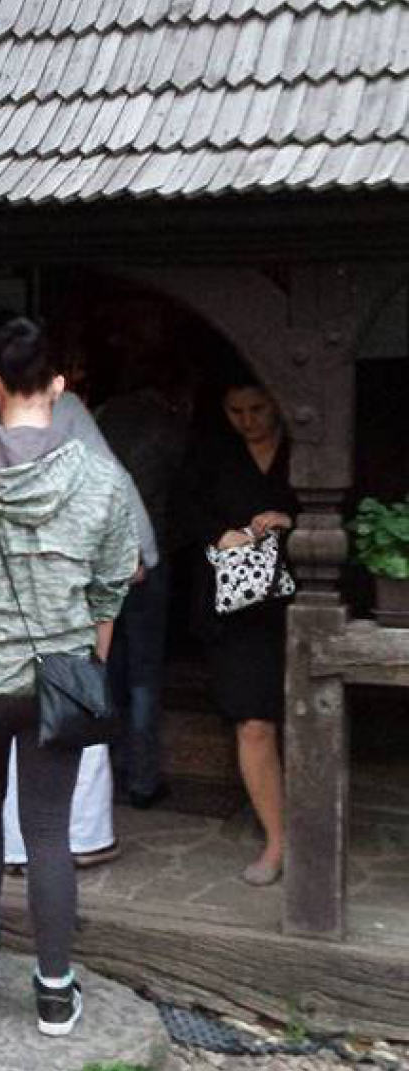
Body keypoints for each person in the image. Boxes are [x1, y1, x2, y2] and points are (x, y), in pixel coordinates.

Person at [0, 318, 138, 1037]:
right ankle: (53, 991)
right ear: (59, 386)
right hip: (61, 669)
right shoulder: (100, 479)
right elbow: (111, 584)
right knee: (48, 829)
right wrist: (88, 658)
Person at [0, 314, 156, 868]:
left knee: (4, 721)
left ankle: (16, 849)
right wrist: (136, 550)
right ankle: (83, 837)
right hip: (66, 587)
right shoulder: (68, 410)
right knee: (71, 707)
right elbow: (112, 479)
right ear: (54, 378)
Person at [182, 378, 298, 886]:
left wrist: (292, 520)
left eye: (257, 408)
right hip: (237, 605)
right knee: (253, 723)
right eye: (236, 411)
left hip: (302, 598)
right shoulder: (212, 453)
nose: (248, 420)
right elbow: (182, 509)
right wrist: (221, 534)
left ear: (278, 401)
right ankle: (278, 841)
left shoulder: (308, 449)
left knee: (309, 715)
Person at [97, 355, 191, 808]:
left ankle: (109, 762)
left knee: (109, 659)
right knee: (145, 670)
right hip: (150, 552)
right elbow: (183, 485)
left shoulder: (100, 419)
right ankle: (143, 777)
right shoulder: (171, 426)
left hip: (103, 552)